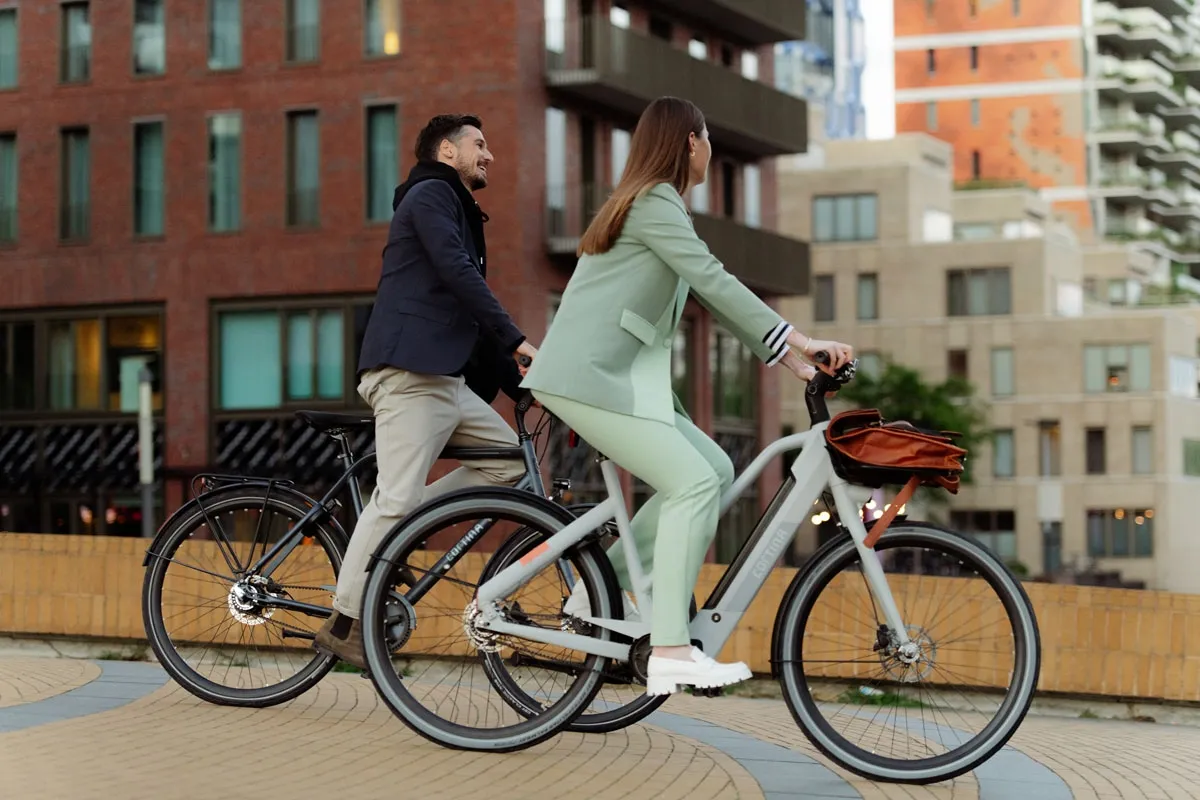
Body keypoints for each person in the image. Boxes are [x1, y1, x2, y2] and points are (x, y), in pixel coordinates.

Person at [520, 97, 854, 696]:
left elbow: (708, 294)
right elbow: (713, 279)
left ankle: (601, 590)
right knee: (691, 483)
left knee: (716, 467)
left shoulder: (653, 204)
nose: (709, 149)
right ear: (690, 144)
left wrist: (794, 363)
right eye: (706, 139)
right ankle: (670, 648)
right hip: (587, 378)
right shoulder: (654, 203)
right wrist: (801, 340)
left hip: (617, 378)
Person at [314, 114, 539, 668]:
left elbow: (468, 308)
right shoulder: (429, 196)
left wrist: (528, 391)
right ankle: (345, 620)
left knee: (508, 462)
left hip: (443, 378)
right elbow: (461, 275)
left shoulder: (457, 209)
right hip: (410, 373)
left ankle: (411, 525)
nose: (490, 156)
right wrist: (519, 340)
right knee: (393, 496)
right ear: (446, 150)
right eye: (479, 145)